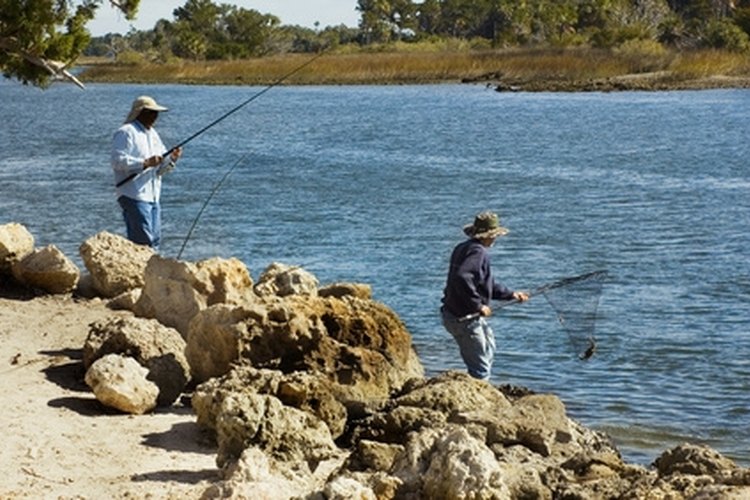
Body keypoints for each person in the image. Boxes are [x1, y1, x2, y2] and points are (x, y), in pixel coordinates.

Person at [441, 211, 529, 380]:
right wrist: (478, 305)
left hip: (453, 314)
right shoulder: (478, 252)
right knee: (481, 369)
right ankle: (479, 401)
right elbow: (462, 277)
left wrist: (512, 294)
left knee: (489, 347)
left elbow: (485, 285)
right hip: (464, 318)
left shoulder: (463, 247)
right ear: (488, 235)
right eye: (494, 235)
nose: (495, 239)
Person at [111, 95, 182, 250]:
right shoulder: (126, 132)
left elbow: (160, 170)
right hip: (133, 194)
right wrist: (145, 163)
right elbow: (117, 162)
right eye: (150, 112)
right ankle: (140, 271)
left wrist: (172, 160)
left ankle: (150, 271)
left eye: (156, 113)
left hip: (153, 196)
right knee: (143, 241)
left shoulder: (153, 134)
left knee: (155, 240)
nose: (155, 116)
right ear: (140, 112)